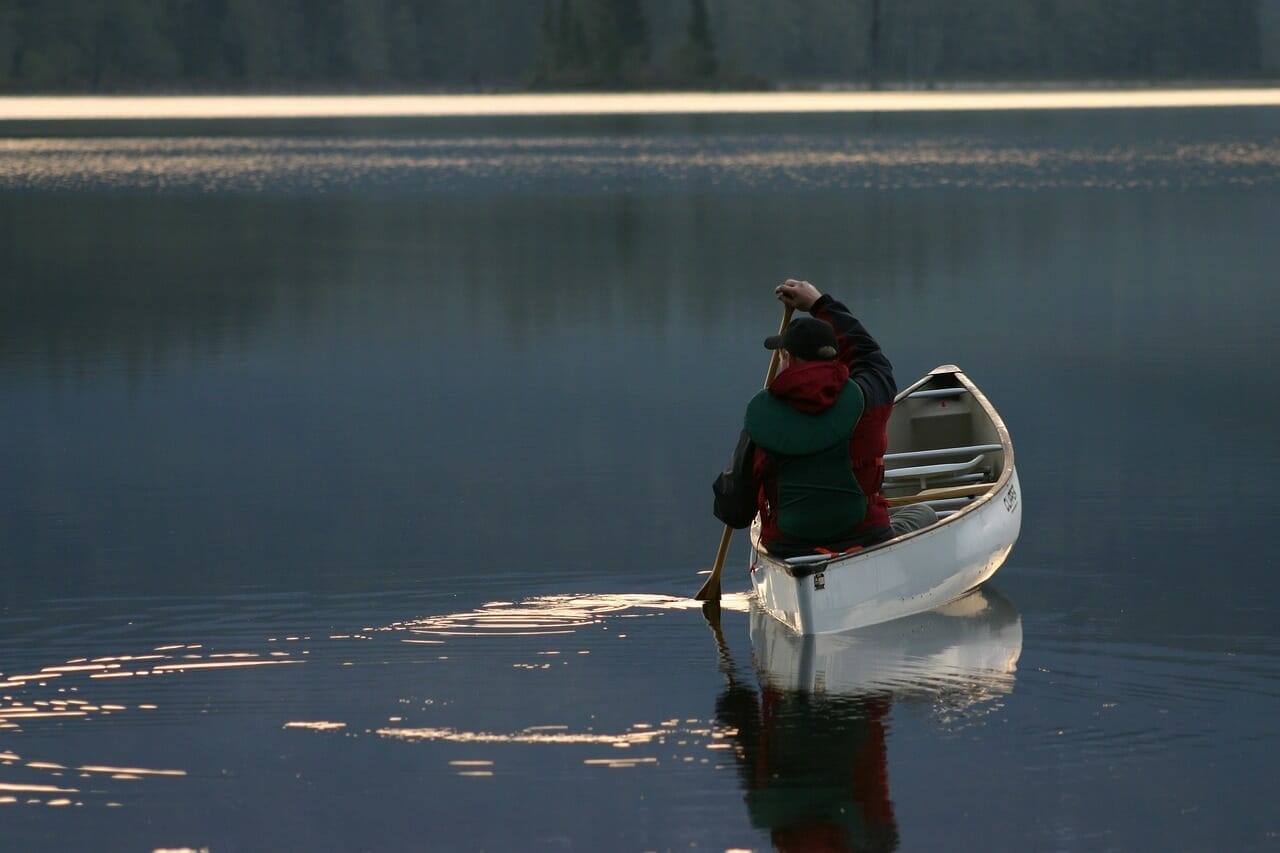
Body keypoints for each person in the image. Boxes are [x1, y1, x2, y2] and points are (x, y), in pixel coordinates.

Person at [713, 279, 935, 559]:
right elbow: (868, 355)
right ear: (835, 358)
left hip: (790, 549)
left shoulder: (760, 421)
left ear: (787, 358)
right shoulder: (868, 397)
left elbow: (735, 511)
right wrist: (819, 303)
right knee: (923, 512)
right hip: (866, 537)